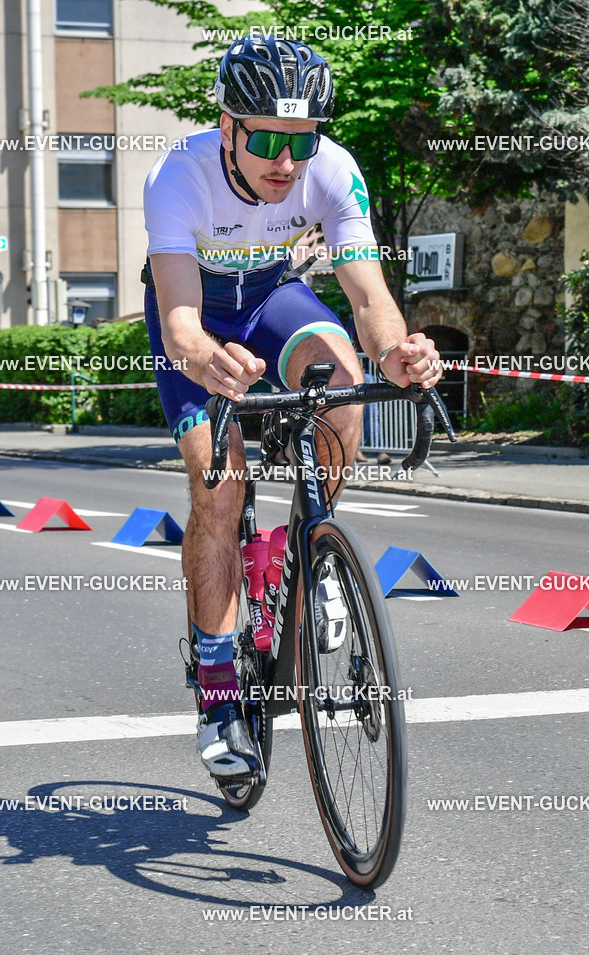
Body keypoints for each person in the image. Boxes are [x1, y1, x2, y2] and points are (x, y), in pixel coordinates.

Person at [143, 35, 442, 782]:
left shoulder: (331, 170)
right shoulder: (176, 176)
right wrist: (203, 357)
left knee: (344, 382)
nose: (286, 162)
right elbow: (179, 323)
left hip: (272, 298)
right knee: (220, 487)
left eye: (301, 141)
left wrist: (398, 351)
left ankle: (304, 556)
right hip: (198, 318)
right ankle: (217, 694)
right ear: (227, 129)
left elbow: (368, 295)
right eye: (268, 140)